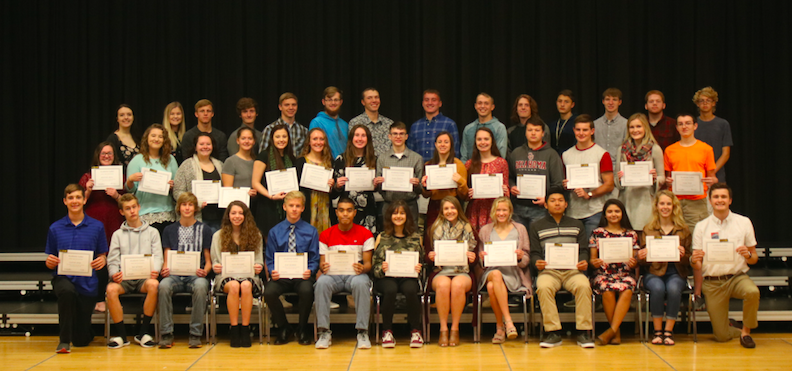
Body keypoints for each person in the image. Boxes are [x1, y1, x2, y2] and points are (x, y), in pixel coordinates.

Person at [691, 183, 759, 348]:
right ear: (710, 200)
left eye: (723, 197)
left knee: (752, 292)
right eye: (716, 197)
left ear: (730, 200)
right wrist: (694, 260)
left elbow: (754, 258)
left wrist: (748, 255)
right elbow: (697, 264)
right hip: (712, 282)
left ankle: (745, 332)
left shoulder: (743, 222)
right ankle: (731, 326)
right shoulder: (701, 227)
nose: (719, 200)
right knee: (721, 337)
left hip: (737, 277)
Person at [45, 184, 109, 354]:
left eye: (78, 197)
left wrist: (102, 260)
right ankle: (64, 341)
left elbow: (103, 254)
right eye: (71, 198)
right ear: (65, 201)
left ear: (84, 200)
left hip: (87, 283)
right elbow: (50, 258)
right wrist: (50, 262)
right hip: (63, 278)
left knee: (81, 341)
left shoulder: (97, 226)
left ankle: (85, 332)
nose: (75, 201)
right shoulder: (55, 228)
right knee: (66, 292)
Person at [530, 188, 593, 348]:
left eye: (560, 201)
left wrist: (584, 261)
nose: (556, 203)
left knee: (584, 286)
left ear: (566, 204)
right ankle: (553, 332)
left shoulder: (576, 224)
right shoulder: (537, 226)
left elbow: (584, 250)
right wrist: (537, 261)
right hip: (549, 271)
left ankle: (584, 332)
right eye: (552, 200)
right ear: (546, 205)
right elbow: (534, 253)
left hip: (572, 271)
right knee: (543, 287)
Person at [314, 197, 375, 349]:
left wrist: (363, 268)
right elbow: (322, 263)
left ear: (354, 213)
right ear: (336, 213)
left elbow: (368, 263)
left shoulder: (365, 234)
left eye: (349, 210)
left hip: (355, 275)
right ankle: (324, 332)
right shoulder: (326, 234)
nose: (345, 214)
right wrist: (324, 267)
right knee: (321, 282)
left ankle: (362, 331)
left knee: (362, 283)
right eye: (341, 210)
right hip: (333, 276)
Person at [106, 194, 163, 349]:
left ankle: (143, 333)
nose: (132, 211)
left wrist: (155, 270)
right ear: (121, 212)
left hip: (144, 278)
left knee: (154, 285)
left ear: (139, 207)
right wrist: (114, 274)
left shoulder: (152, 232)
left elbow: (158, 256)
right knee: (111, 289)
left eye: (134, 207)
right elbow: (112, 259)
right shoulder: (117, 235)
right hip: (124, 279)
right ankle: (122, 336)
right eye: (127, 208)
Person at [264, 191, 320, 345]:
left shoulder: (311, 231)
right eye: (291, 206)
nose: (294, 209)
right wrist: (273, 270)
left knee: (307, 290)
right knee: (269, 292)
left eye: (298, 206)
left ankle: (302, 328)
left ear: (303, 208)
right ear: (284, 207)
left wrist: (311, 270)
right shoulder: (275, 232)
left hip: (303, 275)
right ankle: (284, 327)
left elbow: (315, 258)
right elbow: (270, 257)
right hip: (281, 276)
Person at [636, 190, 691, 346]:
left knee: (674, 289)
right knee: (658, 289)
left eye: (668, 204)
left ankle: (669, 331)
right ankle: (657, 331)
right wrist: (643, 256)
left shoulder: (683, 229)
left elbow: (690, 259)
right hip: (654, 273)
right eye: (662, 204)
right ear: (656, 206)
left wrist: (683, 255)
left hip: (676, 272)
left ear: (674, 207)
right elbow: (643, 263)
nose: (665, 207)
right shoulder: (649, 229)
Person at [158, 192, 213, 348]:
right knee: (163, 286)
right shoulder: (169, 229)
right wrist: (165, 269)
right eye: (184, 205)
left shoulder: (205, 229)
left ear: (195, 208)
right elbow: (166, 256)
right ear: (178, 207)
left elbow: (208, 260)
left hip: (195, 275)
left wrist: (205, 271)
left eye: (190, 205)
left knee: (202, 286)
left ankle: (195, 334)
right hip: (175, 275)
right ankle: (166, 333)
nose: (187, 208)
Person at [477, 198, 531, 343]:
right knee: (495, 275)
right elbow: (481, 262)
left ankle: (500, 328)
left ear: (510, 212)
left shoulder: (520, 229)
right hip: (491, 271)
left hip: (513, 273)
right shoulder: (485, 230)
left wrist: (521, 257)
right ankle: (509, 322)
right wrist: (481, 257)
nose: (501, 213)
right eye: (498, 210)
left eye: (504, 210)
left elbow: (527, 259)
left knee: (491, 286)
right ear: (493, 212)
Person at [371, 200, 425, 348]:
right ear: (389, 216)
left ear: (407, 216)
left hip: (408, 277)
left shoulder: (416, 238)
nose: (398, 216)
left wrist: (419, 268)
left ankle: (415, 331)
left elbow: (423, 263)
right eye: (395, 213)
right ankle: (387, 331)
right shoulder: (382, 237)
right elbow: (374, 267)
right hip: (386, 278)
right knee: (390, 289)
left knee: (410, 289)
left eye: (402, 213)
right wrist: (382, 268)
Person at [210, 201, 264, 348]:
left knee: (246, 286)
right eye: (233, 213)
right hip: (226, 276)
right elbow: (215, 261)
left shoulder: (255, 234)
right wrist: (216, 266)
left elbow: (259, 260)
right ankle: (234, 328)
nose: (237, 216)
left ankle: (245, 329)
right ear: (228, 216)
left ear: (246, 216)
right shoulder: (218, 236)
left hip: (249, 275)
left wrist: (258, 266)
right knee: (234, 286)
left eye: (240, 213)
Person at [79, 142, 125, 313]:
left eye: (110, 154)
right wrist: (88, 190)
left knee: (113, 259)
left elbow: (128, 202)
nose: (106, 156)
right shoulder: (88, 176)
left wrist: (116, 195)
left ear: (114, 157)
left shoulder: (120, 177)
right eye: (103, 153)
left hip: (114, 222)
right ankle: (97, 298)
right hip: (93, 224)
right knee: (97, 260)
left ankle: (113, 296)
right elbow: (79, 201)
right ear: (98, 156)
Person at [426, 196, 477, 347]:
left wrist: (472, 257)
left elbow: (476, 255)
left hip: (462, 271)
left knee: (457, 285)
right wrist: (430, 256)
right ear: (442, 211)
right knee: (443, 285)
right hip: (440, 271)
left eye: (453, 208)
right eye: (446, 208)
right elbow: (426, 257)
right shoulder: (433, 229)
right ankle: (443, 329)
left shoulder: (468, 228)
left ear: (458, 210)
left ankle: (455, 328)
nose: (450, 211)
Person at [588, 199, 639, 345]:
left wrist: (634, 263)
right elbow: (592, 260)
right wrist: (595, 262)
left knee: (628, 288)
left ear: (622, 214)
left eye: (617, 211)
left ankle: (612, 331)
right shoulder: (597, 233)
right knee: (607, 289)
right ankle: (616, 332)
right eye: (610, 211)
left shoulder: (631, 234)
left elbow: (635, 262)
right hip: (603, 274)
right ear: (604, 214)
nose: (613, 214)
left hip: (624, 274)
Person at [562, 115, 615, 239]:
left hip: (595, 211)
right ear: (574, 130)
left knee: (591, 250)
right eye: (578, 130)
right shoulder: (566, 155)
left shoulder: (602, 154)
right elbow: (565, 181)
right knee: (575, 250)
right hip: (573, 212)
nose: (581, 133)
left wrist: (589, 194)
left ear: (592, 131)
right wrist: (566, 184)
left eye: (585, 130)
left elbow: (609, 184)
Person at [663, 113, 718, 227]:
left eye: (688, 123)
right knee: (676, 235)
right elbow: (667, 178)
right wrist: (667, 181)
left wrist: (711, 181)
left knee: (696, 237)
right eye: (680, 124)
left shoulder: (706, 149)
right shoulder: (670, 150)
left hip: (697, 201)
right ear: (677, 128)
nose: (684, 127)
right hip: (675, 201)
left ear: (695, 126)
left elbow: (713, 178)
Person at [508, 121, 564, 231]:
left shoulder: (551, 154)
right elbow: (510, 176)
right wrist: (512, 186)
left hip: (540, 209)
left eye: (537, 130)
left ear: (543, 133)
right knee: (520, 243)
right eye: (530, 130)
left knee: (537, 242)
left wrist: (547, 198)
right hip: (518, 207)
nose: (533, 133)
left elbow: (558, 183)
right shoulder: (516, 153)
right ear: (525, 133)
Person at [125, 124, 178, 236]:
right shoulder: (137, 160)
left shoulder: (171, 160)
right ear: (147, 138)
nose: (156, 139)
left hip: (166, 212)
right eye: (153, 136)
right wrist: (130, 180)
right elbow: (130, 191)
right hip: (144, 213)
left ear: (164, 140)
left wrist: (172, 186)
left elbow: (177, 188)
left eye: (160, 136)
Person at [614, 113, 664, 230]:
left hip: (646, 200)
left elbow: (662, 177)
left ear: (645, 128)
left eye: (638, 126)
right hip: (627, 199)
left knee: (645, 235)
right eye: (632, 127)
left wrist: (655, 178)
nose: (635, 130)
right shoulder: (622, 149)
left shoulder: (655, 149)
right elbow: (616, 179)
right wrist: (620, 179)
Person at [332, 124, 378, 233]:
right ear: (351, 138)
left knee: (367, 243)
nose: (360, 139)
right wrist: (337, 185)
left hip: (368, 210)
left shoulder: (374, 160)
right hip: (346, 210)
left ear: (368, 139)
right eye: (357, 135)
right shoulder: (341, 159)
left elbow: (378, 189)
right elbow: (334, 193)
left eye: (363, 135)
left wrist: (377, 184)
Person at [251, 124, 296, 236]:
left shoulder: (290, 157)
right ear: (272, 139)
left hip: (286, 205)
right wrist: (271, 196)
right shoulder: (264, 155)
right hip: (268, 206)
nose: (281, 140)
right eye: (277, 137)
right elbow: (255, 183)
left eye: (284, 137)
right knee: (270, 241)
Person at [173, 133, 224, 231]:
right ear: (195, 147)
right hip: (195, 218)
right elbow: (177, 192)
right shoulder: (187, 165)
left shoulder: (220, 165)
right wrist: (195, 203)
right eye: (201, 144)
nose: (205, 147)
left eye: (208, 144)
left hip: (218, 218)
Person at [375, 122, 424, 224]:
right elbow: (379, 189)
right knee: (388, 238)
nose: (398, 136)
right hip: (389, 205)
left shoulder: (417, 158)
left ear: (406, 136)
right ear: (389, 136)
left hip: (410, 206)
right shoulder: (382, 158)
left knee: (411, 238)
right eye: (395, 134)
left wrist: (416, 185)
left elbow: (421, 189)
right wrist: (377, 183)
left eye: (401, 134)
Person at [465, 127, 510, 235]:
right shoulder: (469, 164)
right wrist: (468, 193)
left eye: (486, 139)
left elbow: (507, 193)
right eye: (479, 139)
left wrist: (505, 190)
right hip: (474, 211)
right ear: (475, 142)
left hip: (495, 211)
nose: (483, 142)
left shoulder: (501, 163)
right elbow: (464, 194)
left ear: (492, 141)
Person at [420, 131, 469, 230]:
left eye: (446, 142)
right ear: (435, 144)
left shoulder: (458, 164)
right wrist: (425, 187)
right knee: (432, 237)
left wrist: (461, 182)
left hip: (453, 206)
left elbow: (465, 196)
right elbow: (426, 195)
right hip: (434, 207)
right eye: (440, 142)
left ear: (451, 144)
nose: (442, 144)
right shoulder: (428, 165)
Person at [295, 128, 335, 233]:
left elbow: (334, 194)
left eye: (321, 139)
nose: (318, 142)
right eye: (315, 139)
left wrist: (333, 186)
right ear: (309, 142)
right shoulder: (300, 162)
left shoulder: (330, 162)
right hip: (308, 209)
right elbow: (296, 190)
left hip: (325, 210)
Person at [408, 89, 460, 162]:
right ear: (422, 103)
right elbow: (410, 153)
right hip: (419, 170)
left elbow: (455, 152)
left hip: (442, 170)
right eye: (426, 100)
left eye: (434, 100)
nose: (430, 103)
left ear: (440, 103)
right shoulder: (415, 126)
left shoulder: (449, 124)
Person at [694, 87, 733, 183]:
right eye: (702, 101)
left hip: (717, 174)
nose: (705, 103)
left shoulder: (723, 124)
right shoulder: (692, 124)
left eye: (708, 100)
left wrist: (712, 172)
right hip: (696, 173)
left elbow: (726, 153)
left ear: (714, 103)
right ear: (697, 104)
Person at [460, 93, 508, 161]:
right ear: (475, 106)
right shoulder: (468, 129)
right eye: (480, 103)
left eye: (486, 103)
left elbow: (501, 156)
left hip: (493, 170)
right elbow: (464, 156)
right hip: (471, 170)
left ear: (492, 107)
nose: (482, 106)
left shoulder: (500, 128)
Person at [349, 88, 394, 157]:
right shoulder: (355, 123)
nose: (374, 100)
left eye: (376, 97)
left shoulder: (389, 124)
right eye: (369, 98)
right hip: (364, 165)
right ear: (363, 102)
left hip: (385, 165)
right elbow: (352, 148)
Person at [261, 92, 307, 157]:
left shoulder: (304, 131)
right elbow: (262, 156)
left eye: (294, 105)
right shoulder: (270, 129)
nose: (291, 108)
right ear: (280, 107)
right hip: (275, 166)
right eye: (287, 105)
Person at [593, 88, 628, 173]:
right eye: (607, 99)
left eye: (614, 100)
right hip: (597, 168)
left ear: (619, 102)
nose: (611, 103)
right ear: (603, 101)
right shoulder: (594, 124)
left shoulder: (627, 124)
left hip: (618, 169)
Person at [309, 87, 348, 158]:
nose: (333, 103)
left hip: (344, 165)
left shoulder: (345, 125)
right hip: (325, 166)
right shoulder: (317, 122)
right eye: (329, 100)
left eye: (336, 100)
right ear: (323, 102)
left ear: (341, 102)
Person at [221, 126, 258, 199]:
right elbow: (227, 191)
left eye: (250, 138)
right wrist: (245, 193)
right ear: (238, 141)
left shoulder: (256, 161)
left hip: (255, 205)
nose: (246, 141)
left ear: (254, 141)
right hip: (237, 206)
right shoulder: (230, 161)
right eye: (243, 138)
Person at [106, 104, 139, 169]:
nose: (126, 117)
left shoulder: (138, 138)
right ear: (117, 119)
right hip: (121, 178)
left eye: (129, 114)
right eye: (122, 115)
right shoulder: (112, 139)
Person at [548, 90, 578, 155]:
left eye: (566, 102)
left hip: (571, 160)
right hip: (555, 160)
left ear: (572, 104)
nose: (562, 104)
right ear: (556, 103)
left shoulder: (577, 123)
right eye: (560, 101)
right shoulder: (552, 125)